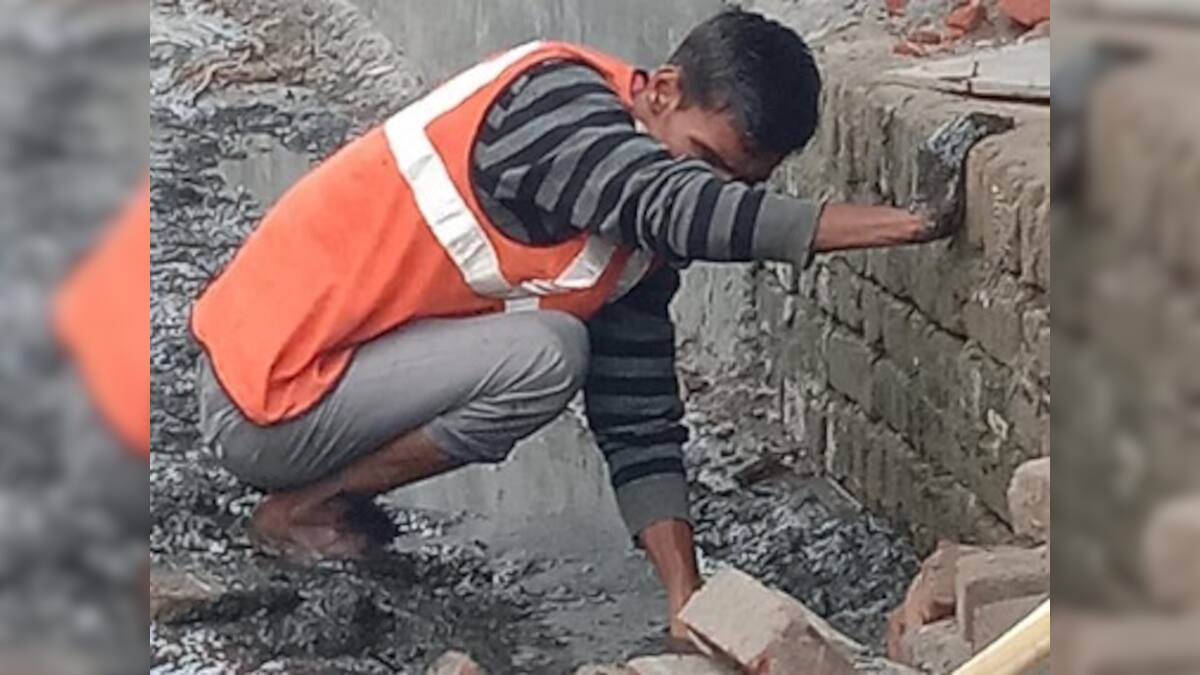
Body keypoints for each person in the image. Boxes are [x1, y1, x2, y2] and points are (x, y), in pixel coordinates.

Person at [191, 9, 941, 639]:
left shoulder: (636, 244)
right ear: (662, 90)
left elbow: (639, 416)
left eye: (740, 185)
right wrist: (907, 224)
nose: (708, 189)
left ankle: (316, 497)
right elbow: (671, 203)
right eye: (702, 160)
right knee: (546, 353)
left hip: (326, 383)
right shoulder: (553, 103)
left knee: (566, 350)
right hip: (261, 395)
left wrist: (687, 598)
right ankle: (306, 506)